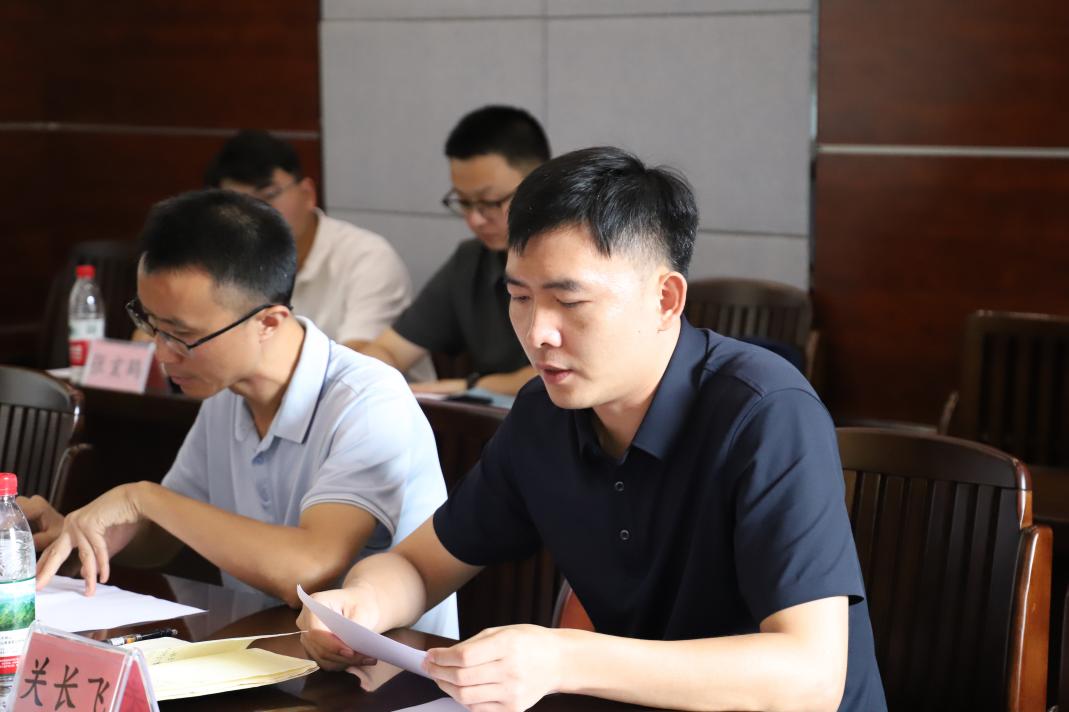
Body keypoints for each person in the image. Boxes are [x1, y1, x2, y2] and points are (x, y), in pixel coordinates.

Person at [298, 147, 886, 711]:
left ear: (665, 298)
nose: (537, 333)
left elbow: (809, 676)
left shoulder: (765, 411)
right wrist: (359, 605)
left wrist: (564, 659)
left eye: (570, 302)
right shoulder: (544, 414)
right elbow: (419, 565)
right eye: (520, 297)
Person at [29, 189, 456, 636]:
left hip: (383, 667)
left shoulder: (368, 400)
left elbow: (310, 568)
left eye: (182, 335)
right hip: (269, 651)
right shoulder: (227, 395)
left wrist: (146, 498)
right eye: (150, 323)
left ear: (268, 322)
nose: (162, 353)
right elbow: (166, 537)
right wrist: (80, 532)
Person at [205, 130, 431, 380]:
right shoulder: (225, 266)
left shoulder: (367, 258)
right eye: (241, 205)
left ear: (308, 193)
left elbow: (357, 365)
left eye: (269, 196)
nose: (257, 215)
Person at [358, 106, 548, 396]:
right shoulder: (470, 261)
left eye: (490, 201)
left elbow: (555, 372)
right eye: (464, 202)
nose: (475, 220)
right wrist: (370, 373)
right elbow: (390, 349)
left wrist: (468, 387)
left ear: (541, 182)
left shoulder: (581, 261)